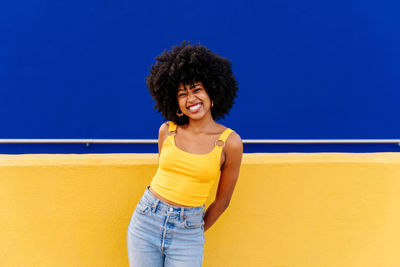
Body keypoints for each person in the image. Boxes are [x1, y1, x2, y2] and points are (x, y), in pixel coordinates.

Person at [127, 41, 243, 267]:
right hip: (146, 220)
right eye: (182, 94)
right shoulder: (167, 131)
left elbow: (223, 200)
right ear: (176, 102)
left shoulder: (230, 142)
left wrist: (191, 229)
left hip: (188, 231)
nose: (191, 99)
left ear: (212, 92)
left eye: (197, 89)